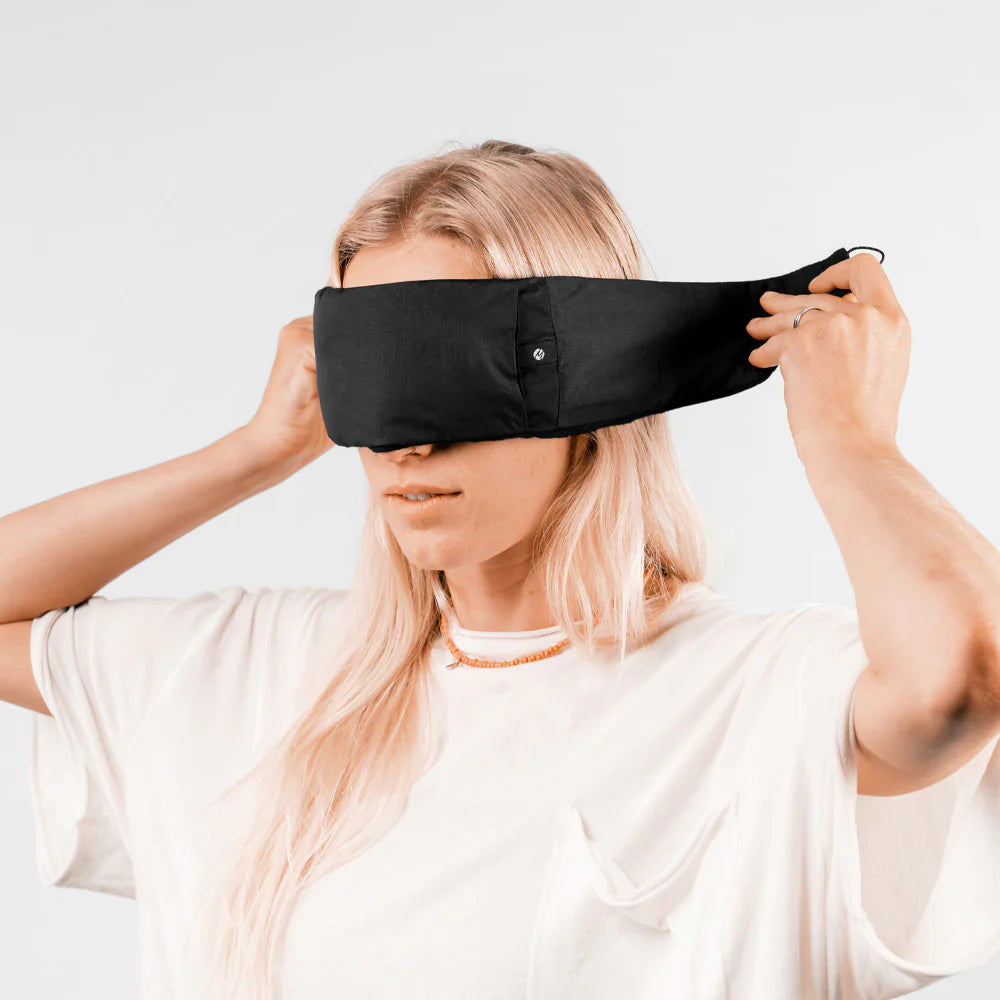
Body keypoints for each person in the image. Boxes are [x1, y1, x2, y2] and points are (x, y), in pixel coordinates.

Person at [2, 138, 1000, 1000]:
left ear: (595, 385)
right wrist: (255, 451)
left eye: (448, 375)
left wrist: (850, 439)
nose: (408, 445)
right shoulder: (253, 669)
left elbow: (963, 678)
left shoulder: (751, 692)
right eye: (371, 376)